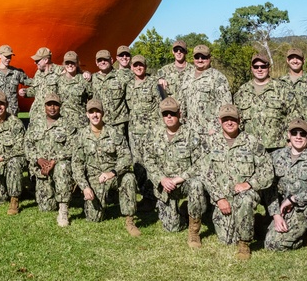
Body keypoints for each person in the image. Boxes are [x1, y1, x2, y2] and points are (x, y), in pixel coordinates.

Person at [201, 104, 273, 260]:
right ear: (220, 121)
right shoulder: (211, 142)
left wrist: (250, 184)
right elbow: (205, 173)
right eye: (225, 119)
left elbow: (267, 170)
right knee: (227, 240)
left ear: (239, 120)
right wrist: (219, 198)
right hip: (223, 200)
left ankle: (244, 244)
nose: (229, 122)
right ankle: (256, 223)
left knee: (245, 199)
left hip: (245, 196)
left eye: (233, 119)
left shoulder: (252, 141)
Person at [264, 119, 307, 263]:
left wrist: (293, 199)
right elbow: (269, 188)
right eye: (294, 133)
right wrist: (276, 214)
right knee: (272, 244)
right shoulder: (275, 157)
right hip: (290, 213)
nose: (298, 136)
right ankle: (304, 235)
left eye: (302, 134)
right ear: (288, 135)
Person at [141, 96, 207, 246]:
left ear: (180, 114)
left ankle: (194, 232)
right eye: (165, 114)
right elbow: (149, 160)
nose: (169, 117)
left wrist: (180, 178)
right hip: (164, 186)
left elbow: (201, 162)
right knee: (172, 228)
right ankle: (183, 211)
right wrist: (161, 178)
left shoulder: (191, 134)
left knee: (197, 184)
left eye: (172, 113)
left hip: (184, 183)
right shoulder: (154, 134)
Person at [71, 98, 141, 236]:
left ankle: (130, 220)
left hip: (113, 175)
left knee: (129, 178)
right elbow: (76, 164)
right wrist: (85, 187)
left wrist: (112, 172)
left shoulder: (113, 132)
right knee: (94, 218)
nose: (95, 115)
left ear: (103, 113)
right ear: (87, 114)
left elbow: (126, 157)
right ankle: (102, 203)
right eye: (91, 112)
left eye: (97, 111)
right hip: (94, 178)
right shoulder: (82, 135)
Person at [24, 92, 76, 225]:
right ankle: (52, 193)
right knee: (46, 208)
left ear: (60, 106)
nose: (52, 108)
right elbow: (27, 144)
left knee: (63, 166)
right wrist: (38, 159)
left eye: (56, 105)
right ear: (44, 106)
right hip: (41, 169)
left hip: (58, 167)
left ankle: (63, 211)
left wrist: (54, 161)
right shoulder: (35, 123)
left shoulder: (67, 124)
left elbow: (72, 147)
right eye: (49, 104)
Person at [125, 54, 163, 210]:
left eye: (141, 65)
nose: (138, 67)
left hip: (150, 132)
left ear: (145, 66)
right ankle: (146, 196)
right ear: (131, 67)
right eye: (135, 65)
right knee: (138, 165)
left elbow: (162, 105)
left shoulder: (154, 83)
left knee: (152, 164)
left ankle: (155, 197)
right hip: (134, 132)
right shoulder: (129, 85)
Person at [234, 52, 289, 153]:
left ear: (269, 67)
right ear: (251, 68)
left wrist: (289, 141)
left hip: (277, 148)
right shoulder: (243, 91)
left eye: (263, 66)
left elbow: (293, 115)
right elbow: (237, 120)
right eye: (256, 66)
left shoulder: (282, 89)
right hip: (249, 148)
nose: (259, 69)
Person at [179, 45, 232, 139]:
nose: (200, 60)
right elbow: (182, 104)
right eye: (197, 57)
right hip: (189, 132)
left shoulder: (218, 77)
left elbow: (226, 107)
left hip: (210, 133)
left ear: (209, 58)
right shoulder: (186, 76)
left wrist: (216, 128)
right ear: (193, 58)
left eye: (203, 57)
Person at [19, 47, 63, 128]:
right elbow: (36, 90)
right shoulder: (38, 73)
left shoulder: (60, 71)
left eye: (37, 60)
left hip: (51, 115)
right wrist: (26, 92)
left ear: (46, 60)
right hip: (36, 115)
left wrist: (86, 73)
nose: (35, 63)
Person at [90, 50, 129, 136]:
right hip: (101, 123)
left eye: (105, 60)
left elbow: (141, 77)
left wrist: (160, 78)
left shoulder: (122, 76)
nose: (103, 62)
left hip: (119, 124)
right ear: (96, 63)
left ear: (111, 60)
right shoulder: (93, 79)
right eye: (100, 60)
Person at [55, 51, 93, 127]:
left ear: (77, 63)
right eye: (67, 63)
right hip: (63, 123)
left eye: (72, 62)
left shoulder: (84, 80)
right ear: (63, 64)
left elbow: (92, 98)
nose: (70, 65)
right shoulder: (58, 81)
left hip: (80, 123)